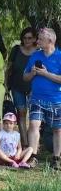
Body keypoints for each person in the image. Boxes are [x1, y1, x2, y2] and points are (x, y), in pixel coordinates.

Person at [24, 27, 61, 169]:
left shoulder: (59, 56)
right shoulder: (35, 56)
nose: (37, 41)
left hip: (56, 100)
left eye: (40, 39)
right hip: (36, 98)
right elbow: (25, 77)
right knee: (34, 125)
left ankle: (56, 158)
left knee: (57, 130)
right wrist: (32, 73)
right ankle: (33, 156)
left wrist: (46, 74)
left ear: (50, 40)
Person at [7, 27, 38, 143]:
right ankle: (24, 143)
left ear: (35, 38)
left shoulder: (39, 52)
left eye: (30, 38)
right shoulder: (16, 50)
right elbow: (9, 69)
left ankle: (33, 143)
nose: (27, 40)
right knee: (21, 113)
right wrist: (6, 85)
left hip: (33, 87)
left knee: (34, 116)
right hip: (17, 85)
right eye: (25, 38)